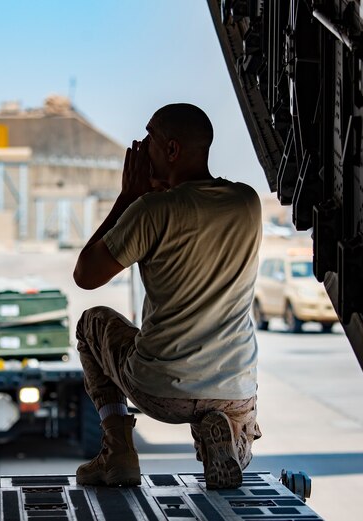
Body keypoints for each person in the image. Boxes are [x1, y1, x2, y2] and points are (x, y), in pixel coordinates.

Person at [72, 103, 262, 489]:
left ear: (171, 150)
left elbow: (85, 276)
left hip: (159, 388)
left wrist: (128, 197)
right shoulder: (247, 203)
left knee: (91, 321)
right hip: (232, 388)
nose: (141, 147)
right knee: (238, 424)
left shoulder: (151, 211)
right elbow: (196, 206)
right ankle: (225, 440)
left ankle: (118, 450)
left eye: (150, 138)